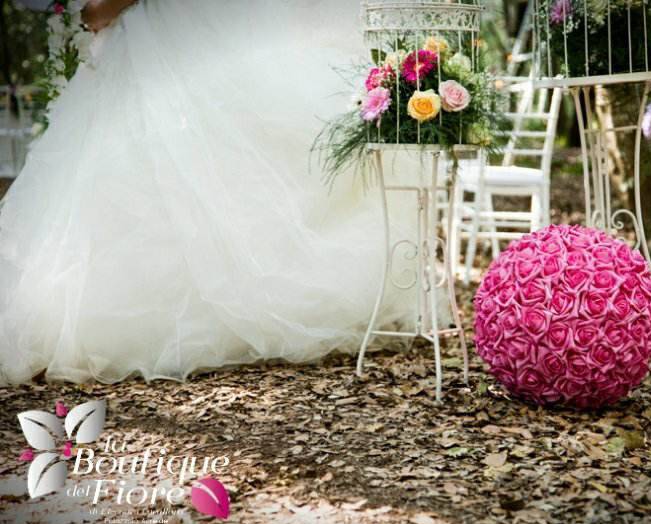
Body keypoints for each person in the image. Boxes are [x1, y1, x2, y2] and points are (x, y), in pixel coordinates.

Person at [0, 0, 418, 384]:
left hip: (160, 37)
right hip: (169, 32)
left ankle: (174, 318)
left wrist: (96, 8)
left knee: (165, 163)